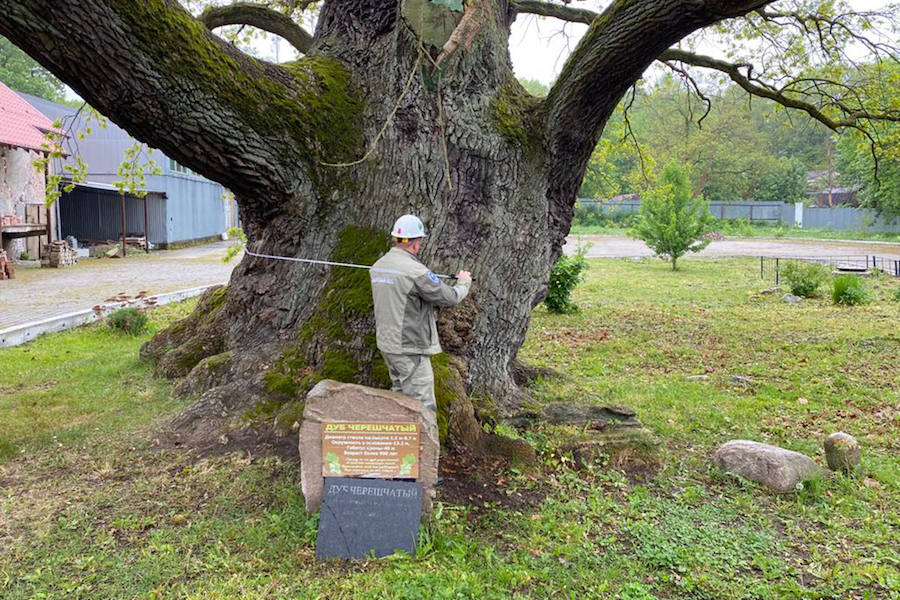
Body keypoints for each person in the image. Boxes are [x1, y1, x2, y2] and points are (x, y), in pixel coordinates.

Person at [370, 214, 472, 412]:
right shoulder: (416, 272)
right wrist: (463, 282)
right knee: (422, 406)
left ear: (396, 238)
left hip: (387, 344)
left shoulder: (378, 266)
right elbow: (450, 297)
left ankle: (399, 432)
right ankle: (423, 434)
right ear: (416, 243)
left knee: (399, 398)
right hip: (409, 348)